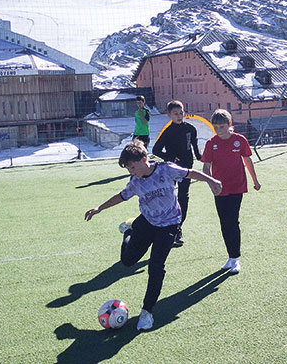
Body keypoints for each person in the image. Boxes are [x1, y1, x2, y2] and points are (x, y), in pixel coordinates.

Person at [84, 140, 222, 331]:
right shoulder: (135, 182)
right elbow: (121, 196)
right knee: (128, 261)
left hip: (169, 225)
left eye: (132, 167)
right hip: (147, 222)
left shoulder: (166, 170)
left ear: (144, 159)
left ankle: (147, 311)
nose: (131, 172)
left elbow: (190, 172)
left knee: (156, 266)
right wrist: (99, 208)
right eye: (128, 169)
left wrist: (212, 180)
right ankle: (129, 230)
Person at [201, 109, 261, 275]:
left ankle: (235, 258)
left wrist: (255, 180)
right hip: (219, 189)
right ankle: (230, 256)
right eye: (216, 127)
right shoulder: (210, 143)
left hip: (237, 186)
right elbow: (206, 167)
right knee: (224, 223)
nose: (219, 130)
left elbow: (247, 160)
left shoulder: (239, 140)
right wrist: (211, 184)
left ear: (229, 125)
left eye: (222, 126)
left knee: (232, 221)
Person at [152, 100, 202, 247]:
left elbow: (194, 145)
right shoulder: (167, 132)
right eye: (176, 114)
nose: (179, 116)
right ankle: (166, 228)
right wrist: (170, 158)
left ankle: (178, 228)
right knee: (169, 196)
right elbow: (156, 150)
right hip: (171, 169)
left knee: (183, 197)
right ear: (169, 115)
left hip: (187, 167)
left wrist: (200, 157)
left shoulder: (191, 129)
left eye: (181, 113)